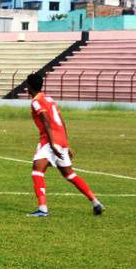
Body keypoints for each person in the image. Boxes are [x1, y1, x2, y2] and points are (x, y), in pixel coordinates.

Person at [26, 73, 104, 217]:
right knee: (69, 174)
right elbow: (61, 121)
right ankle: (95, 202)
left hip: (49, 140)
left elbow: (46, 121)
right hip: (61, 139)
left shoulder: (36, 101)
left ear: (29, 87)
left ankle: (42, 209)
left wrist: (51, 144)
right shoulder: (49, 99)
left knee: (37, 170)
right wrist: (65, 144)